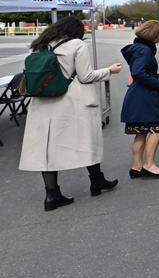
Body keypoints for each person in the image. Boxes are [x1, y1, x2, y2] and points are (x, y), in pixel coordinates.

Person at [18, 16, 124, 211]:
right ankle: (96, 182)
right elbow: (86, 77)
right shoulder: (76, 44)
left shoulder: (41, 44)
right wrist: (109, 70)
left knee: (47, 150)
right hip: (71, 103)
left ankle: (52, 195)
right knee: (86, 140)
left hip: (41, 104)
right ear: (76, 30)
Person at [120, 20, 159, 179]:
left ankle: (136, 167)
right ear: (152, 34)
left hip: (137, 96)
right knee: (156, 129)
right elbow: (138, 72)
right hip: (144, 98)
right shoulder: (145, 51)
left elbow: (140, 72)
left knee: (140, 132)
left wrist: (158, 76)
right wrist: (158, 83)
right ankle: (149, 165)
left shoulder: (137, 48)